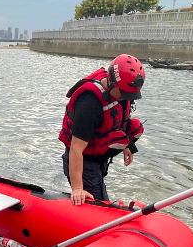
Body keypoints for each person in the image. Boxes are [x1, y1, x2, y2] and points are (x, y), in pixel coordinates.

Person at [58, 54, 146, 205]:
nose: (127, 97)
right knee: (99, 203)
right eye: (124, 93)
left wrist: (128, 146)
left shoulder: (122, 94)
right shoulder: (90, 103)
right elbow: (76, 149)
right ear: (112, 82)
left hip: (98, 157)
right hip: (83, 161)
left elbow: (120, 122)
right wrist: (78, 188)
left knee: (137, 127)